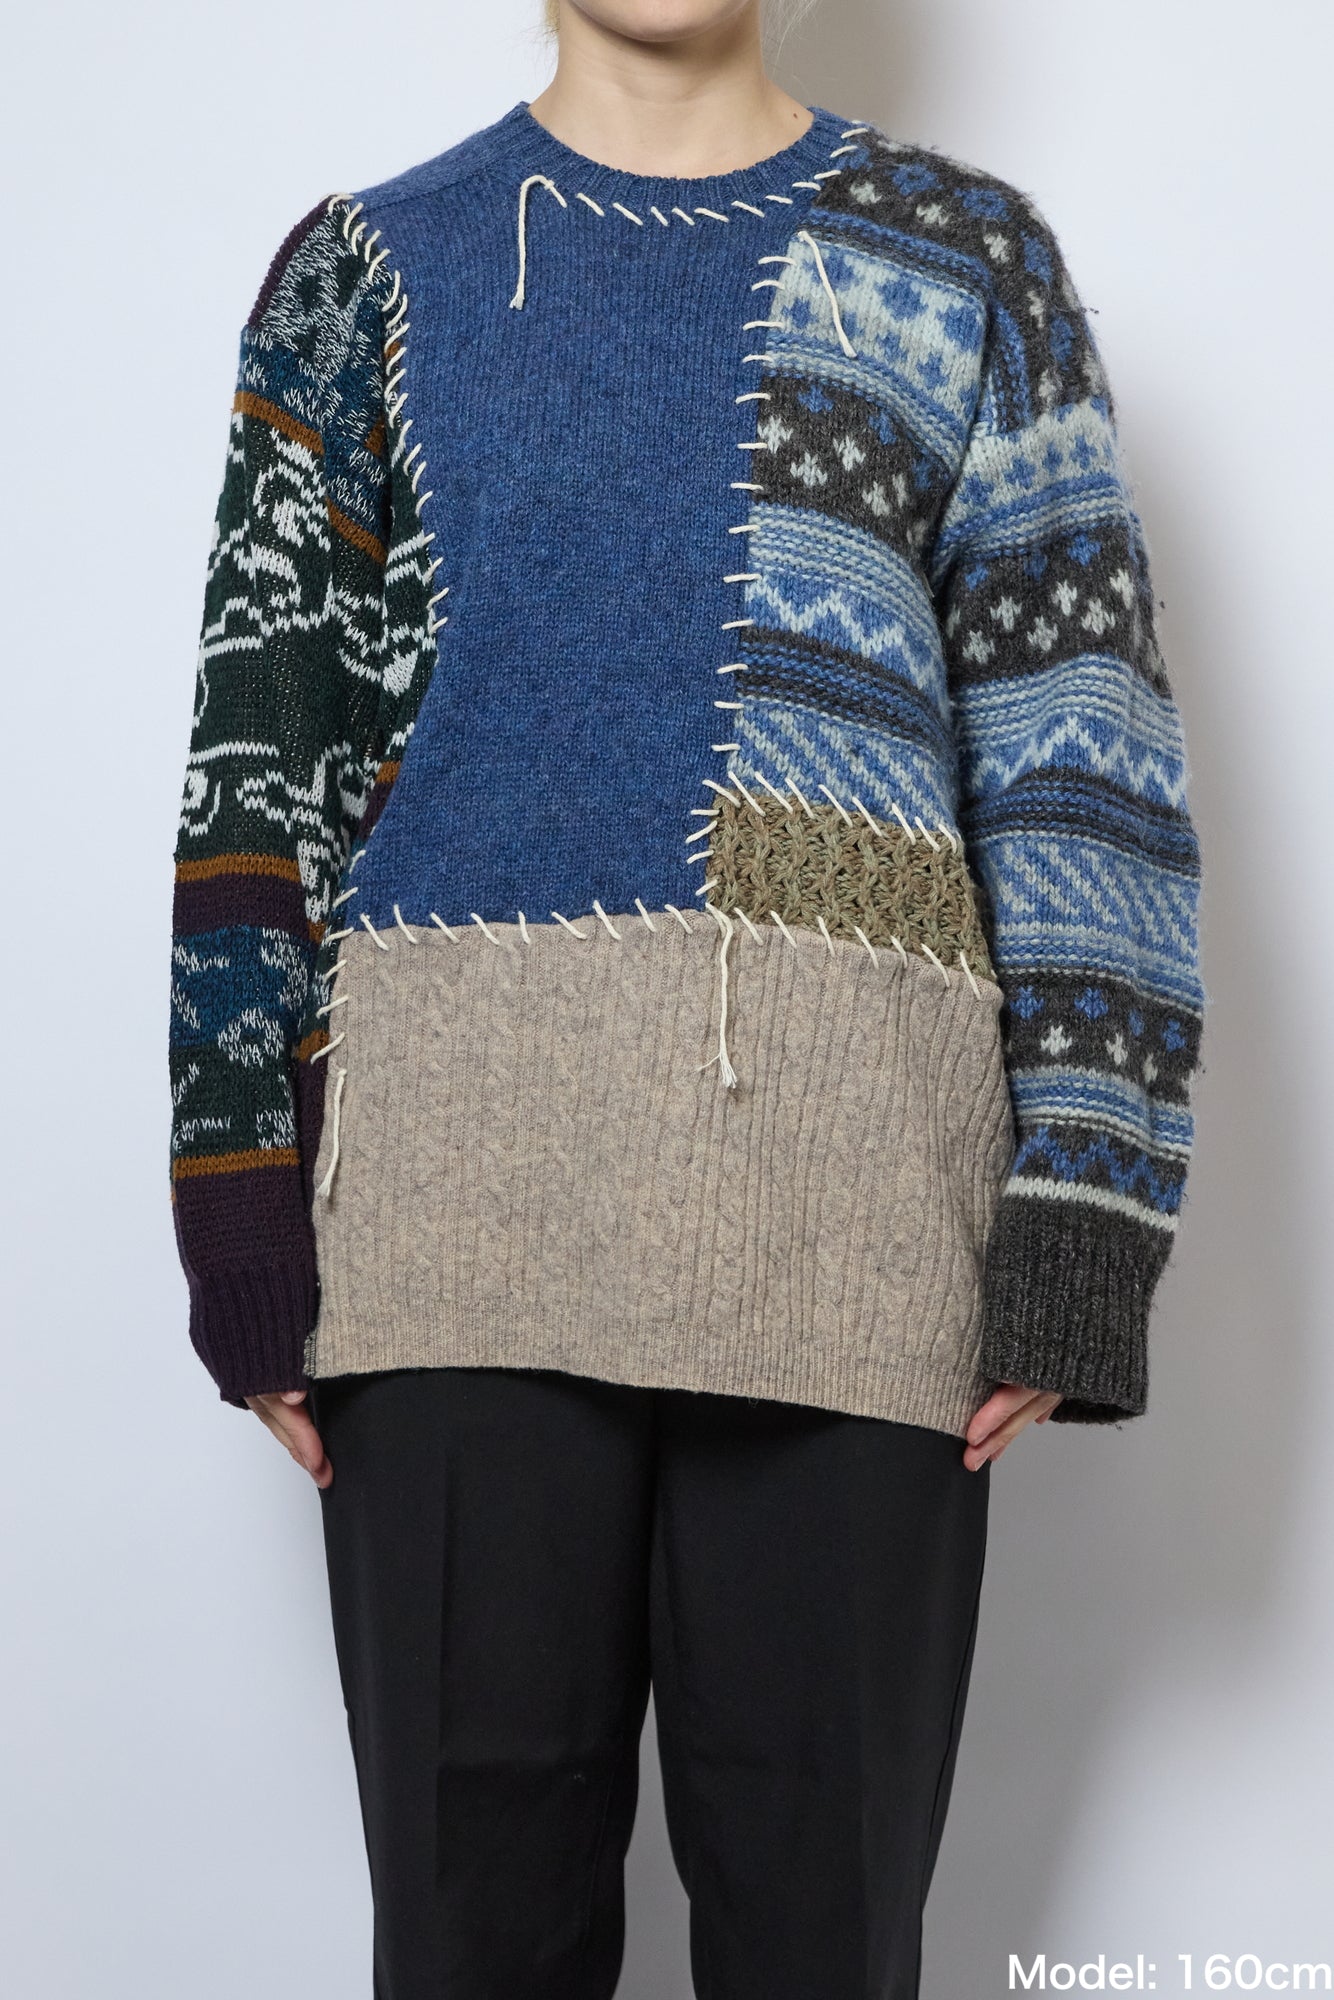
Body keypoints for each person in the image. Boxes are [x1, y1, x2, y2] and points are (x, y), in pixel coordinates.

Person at [167, 0, 1204, 1991]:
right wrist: (237, 1202)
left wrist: (1086, 1205)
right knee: (474, 1941)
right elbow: (260, 763)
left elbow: (1080, 751)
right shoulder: (362, 273)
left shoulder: (966, 260)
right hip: (446, 1229)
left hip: (853, 1223)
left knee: (824, 1938)